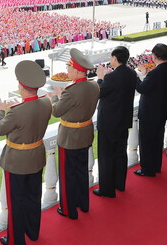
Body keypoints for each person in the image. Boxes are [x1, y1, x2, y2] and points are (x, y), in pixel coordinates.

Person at [0, 61, 51, 245]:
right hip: (36, 156)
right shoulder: (45, 103)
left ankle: (15, 240)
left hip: (17, 161)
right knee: (33, 197)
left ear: (21, 86)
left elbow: (0, 129)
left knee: (16, 202)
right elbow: (31, 110)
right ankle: (32, 231)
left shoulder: (16, 112)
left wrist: (0, 111)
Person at [49, 49, 99, 220]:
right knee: (81, 171)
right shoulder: (94, 85)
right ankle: (83, 203)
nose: (68, 71)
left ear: (77, 71)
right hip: (85, 133)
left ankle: (68, 209)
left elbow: (56, 112)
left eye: (69, 68)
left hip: (70, 136)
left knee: (67, 174)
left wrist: (56, 97)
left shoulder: (71, 91)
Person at [94, 46, 137, 198]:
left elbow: (99, 93)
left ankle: (107, 189)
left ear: (114, 58)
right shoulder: (131, 73)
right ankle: (120, 183)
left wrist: (100, 77)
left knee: (106, 156)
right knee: (120, 153)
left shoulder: (111, 77)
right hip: (123, 120)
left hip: (109, 122)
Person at [134, 43, 167, 175]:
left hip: (149, 113)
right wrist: (145, 74)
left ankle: (147, 169)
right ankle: (156, 166)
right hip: (161, 110)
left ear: (154, 56)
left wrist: (136, 77)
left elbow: (141, 88)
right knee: (157, 140)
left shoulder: (155, 73)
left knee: (146, 142)